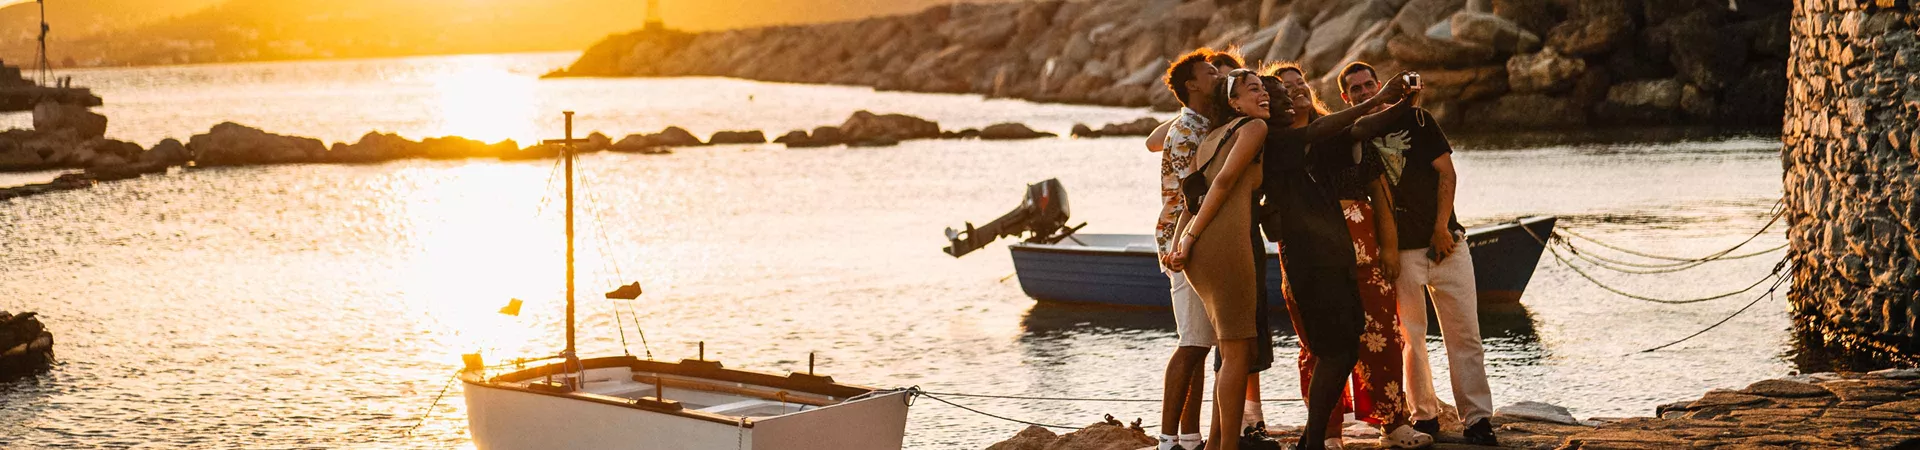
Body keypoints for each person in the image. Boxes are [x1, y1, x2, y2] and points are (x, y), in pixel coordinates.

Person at [1255, 64, 1427, 450]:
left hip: (1345, 249)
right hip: (1309, 254)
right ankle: (1323, 435)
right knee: (1325, 347)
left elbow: (1363, 139)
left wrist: (1403, 103)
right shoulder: (1275, 138)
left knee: (1369, 339)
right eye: (1284, 90)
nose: (1294, 93)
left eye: (1300, 85)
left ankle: (1372, 425)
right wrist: (1384, 99)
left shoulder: (1328, 130)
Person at [1337, 61, 1497, 446]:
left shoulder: (1419, 121)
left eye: (1367, 85)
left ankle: (1477, 419)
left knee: (1466, 336)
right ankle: (1424, 415)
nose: (1362, 92)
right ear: (1345, 97)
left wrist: (1442, 228)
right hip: (1400, 254)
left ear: (1380, 85)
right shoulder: (1353, 135)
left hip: (1447, 244)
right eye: (1354, 89)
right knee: (1412, 338)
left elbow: (1447, 173)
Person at [1169, 68, 1271, 450]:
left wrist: (1180, 243)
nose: (1263, 95)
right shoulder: (1253, 130)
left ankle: (1217, 445)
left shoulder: (1209, 137)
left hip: (1200, 251)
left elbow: (1190, 197)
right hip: (1225, 246)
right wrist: (1190, 238)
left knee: (1231, 352)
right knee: (1237, 353)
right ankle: (1226, 447)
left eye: (1264, 89)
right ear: (1234, 102)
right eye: (1253, 89)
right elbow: (1225, 182)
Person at [1147, 47, 1224, 450]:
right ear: (1191, 85)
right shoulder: (1187, 131)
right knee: (1192, 342)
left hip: (1194, 238)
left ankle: (1190, 438)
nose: (1217, 76)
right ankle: (1166, 440)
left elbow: (1148, 141)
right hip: (1183, 241)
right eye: (1210, 72)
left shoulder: (1203, 123)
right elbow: (1194, 194)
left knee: (1200, 343)